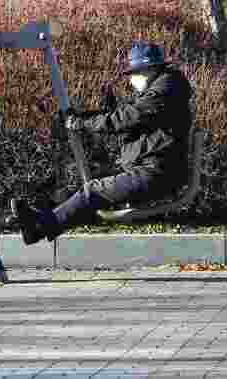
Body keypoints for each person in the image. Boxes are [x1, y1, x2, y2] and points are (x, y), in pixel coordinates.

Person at [15, 41, 193, 245]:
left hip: (155, 174)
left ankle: (38, 227)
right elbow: (119, 116)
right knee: (86, 185)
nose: (131, 79)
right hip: (150, 169)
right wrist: (84, 117)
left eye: (134, 73)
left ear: (149, 69)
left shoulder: (164, 91)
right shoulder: (160, 90)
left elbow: (125, 118)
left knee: (93, 190)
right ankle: (41, 216)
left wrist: (80, 123)